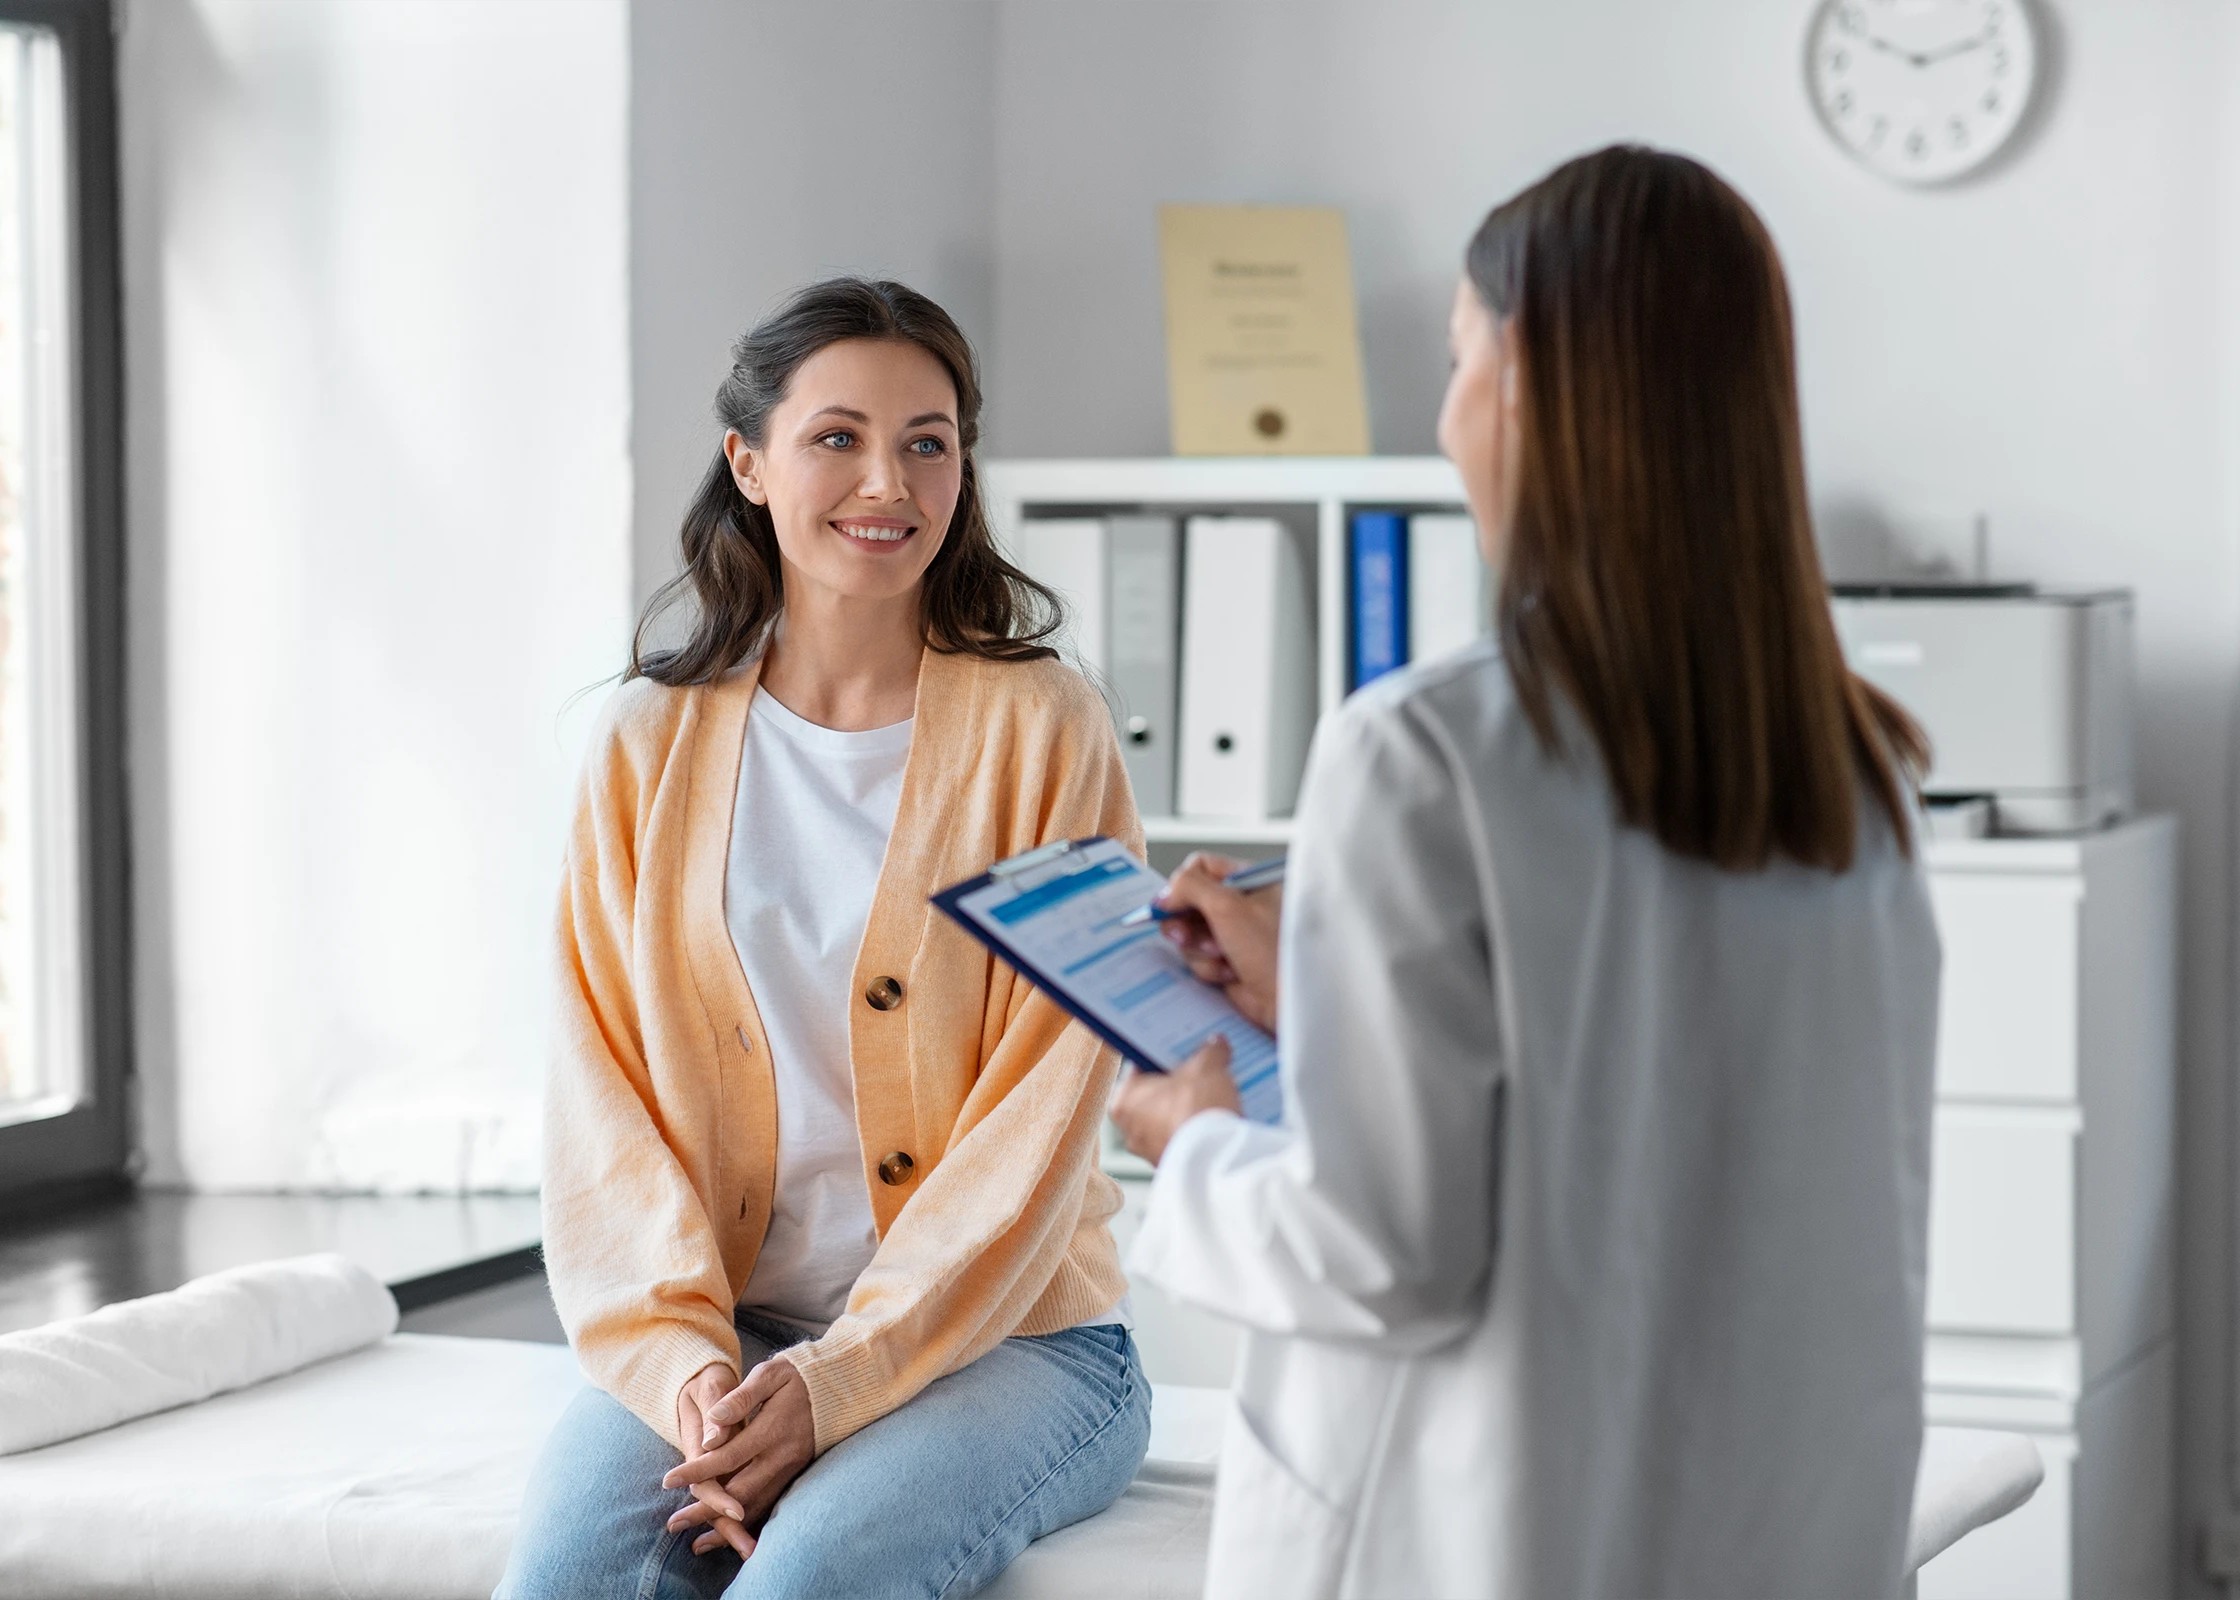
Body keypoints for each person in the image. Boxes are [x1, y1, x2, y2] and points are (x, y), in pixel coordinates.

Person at [1112, 145, 1941, 1600]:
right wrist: (1327, 1004)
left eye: (1455, 359)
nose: (1445, 421)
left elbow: (1383, 1252)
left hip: (1494, 1538)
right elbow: (1650, 1101)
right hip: (1770, 1536)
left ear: (1532, 375)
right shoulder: (1852, 772)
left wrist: (1192, 1143)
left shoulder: (1422, 750)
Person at [500, 278, 1150, 1600]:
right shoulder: (644, 744)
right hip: (720, 1334)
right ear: (748, 463)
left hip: (1019, 1343)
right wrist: (693, 1378)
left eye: (929, 440)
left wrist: (839, 1382)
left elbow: (1049, 1108)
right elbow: (599, 1098)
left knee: (811, 1579)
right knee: (571, 1579)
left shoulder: (1049, 730)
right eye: (837, 437)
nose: (888, 481)